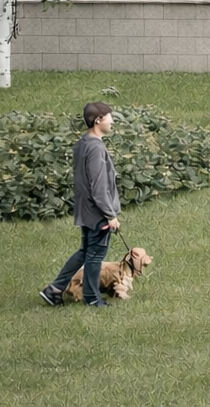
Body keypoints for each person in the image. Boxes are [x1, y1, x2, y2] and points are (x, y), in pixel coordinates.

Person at [39, 102, 122, 307]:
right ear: (98, 120)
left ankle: (54, 289)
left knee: (85, 251)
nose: (112, 121)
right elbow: (98, 186)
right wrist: (110, 215)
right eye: (109, 117)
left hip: (86, 210)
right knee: (95, 255)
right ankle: (92, 298)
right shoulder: (95, 148)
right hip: (97, 213)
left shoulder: (83, 143)